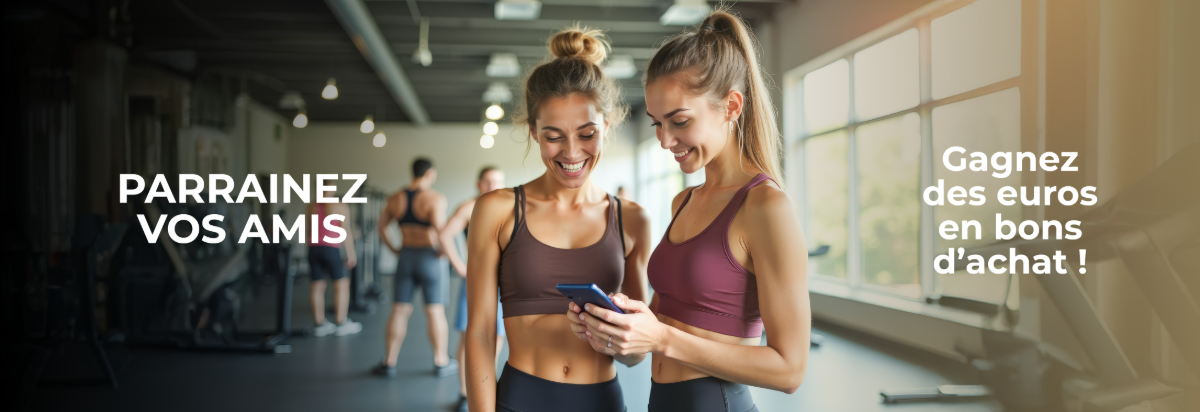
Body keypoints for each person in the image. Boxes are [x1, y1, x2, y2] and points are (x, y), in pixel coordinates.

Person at [571, 9, 812, 412]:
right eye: (656, 124)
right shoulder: (683, 202)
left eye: (679, 121)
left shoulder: (766, 206)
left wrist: (662, 338)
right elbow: (647, 343)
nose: (666, 141)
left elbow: (790, 370)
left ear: (732, 106)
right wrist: (615, 331)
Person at [464, 26, 652, 412]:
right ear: (532, 131)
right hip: (521, 398)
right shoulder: (497, 210)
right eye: (553, 136)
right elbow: (481, 333)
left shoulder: (632, 219)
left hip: (602, 401)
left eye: (586, 134)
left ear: (607, 126)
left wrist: (617, 333)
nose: (571, 152)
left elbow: (635, 355)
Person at [374, 158, 456, 378]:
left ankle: (389, 362)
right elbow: (441, 232)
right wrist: (447, 255)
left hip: (406, 256)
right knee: (435, 311)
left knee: (399, 310)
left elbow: (381, 227)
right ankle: (441, 361)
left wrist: (394, 249)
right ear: (430, 174)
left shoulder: (394, 198)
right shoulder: (434, 199)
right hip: (429, 257)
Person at [440, 166, 508, 411]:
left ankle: (487, 386)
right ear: (479, 183)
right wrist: (459, 266)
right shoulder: (469, 208)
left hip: (503, 282)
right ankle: (463, 392)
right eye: (488, 182)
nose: (493, 187)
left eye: (498, 182)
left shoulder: (508, 207)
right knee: (470, 337)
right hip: (477, 281)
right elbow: (445, 234)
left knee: (498, 336)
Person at [306, 188, 363, 337]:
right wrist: (351, 253)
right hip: (330, 249)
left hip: (313, 249)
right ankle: (341, 322)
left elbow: (308, 231)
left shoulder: (311, 206)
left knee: (317, 286)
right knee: (341, 285)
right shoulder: (339, 206)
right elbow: (346, 231)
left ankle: (319, 325)